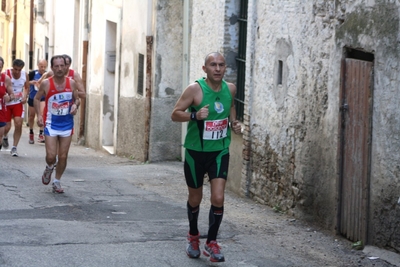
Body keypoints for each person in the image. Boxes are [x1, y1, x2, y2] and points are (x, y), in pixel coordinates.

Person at [171, 52, 241, 262]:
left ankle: (211, 242)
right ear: (205, 69)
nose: (218, 69)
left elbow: (230, 109)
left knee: (218, 197)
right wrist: (194, 115)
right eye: (213, 65)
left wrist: (235, 124)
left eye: (221, 65)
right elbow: (175, 113)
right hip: (195, 153)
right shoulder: (195, 89)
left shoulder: (230, 89)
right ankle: (193, 236)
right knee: (195, 198)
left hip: (219, 152)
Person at [34, 55, 80, 193]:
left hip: (67, 124)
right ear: (52, 68)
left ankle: (57, 181)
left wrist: (75, 106)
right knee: (50, 156)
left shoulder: (71, 83)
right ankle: (49, 167)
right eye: (57, 66)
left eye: (62, 66)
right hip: (51, 124)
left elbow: (77, 99)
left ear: (66, 67)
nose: (60, 69)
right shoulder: (46, 83)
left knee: (63, 156)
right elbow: (36, 99)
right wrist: (39, 115)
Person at [2, 59, 29, 156]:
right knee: (7, 127)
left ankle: (14, 147)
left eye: (19, 70)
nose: (17, 72)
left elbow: (27, 87)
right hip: (7, 103)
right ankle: (5, 136)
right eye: (15, 69)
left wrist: (25, 96)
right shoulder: (6, 74)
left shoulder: (24, 75)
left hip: (18, 103)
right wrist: (6, 95)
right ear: (12, 67)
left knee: (18, 124)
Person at [28, 59, 48, 144]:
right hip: (33, 97)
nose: (42, 68)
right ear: (38, 65)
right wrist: (31, 82)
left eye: (44, 66)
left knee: (42, 114)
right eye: (41, 66)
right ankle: (31, 132)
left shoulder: (47, 74)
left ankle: (41, 133)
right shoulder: (32, 73)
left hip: (42, 98)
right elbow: (25, 82)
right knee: (32, 115)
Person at [0, 57, 15, 150]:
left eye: (0, 67)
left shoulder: (5, 78)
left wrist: (9, 98)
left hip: (1, 110)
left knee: (0, 135)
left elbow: (12, 95)